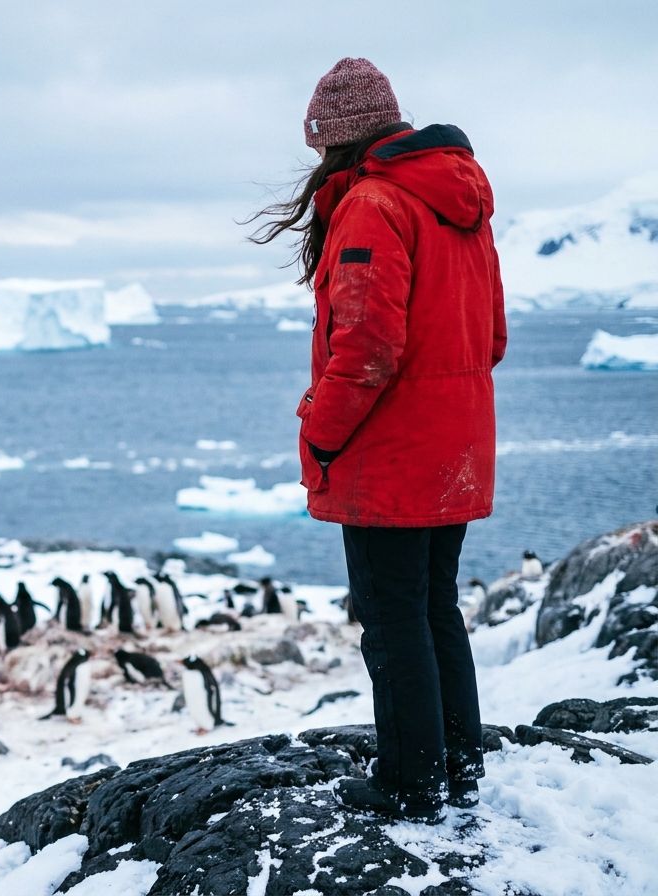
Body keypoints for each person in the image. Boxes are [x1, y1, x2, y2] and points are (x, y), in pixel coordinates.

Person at [249, 58, 506, 823]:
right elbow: (491, 337)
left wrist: (321, 437)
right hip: (453, 448)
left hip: (389, 455)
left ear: (336, 141)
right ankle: (458, 765)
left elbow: (364, 349)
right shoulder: (460, 203)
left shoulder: (374, 205)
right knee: (434, 608)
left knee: (392, 618)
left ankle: (409, 783)